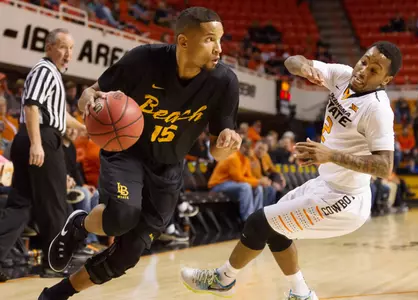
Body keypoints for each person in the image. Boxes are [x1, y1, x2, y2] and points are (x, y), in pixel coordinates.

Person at [39, 7, 242, 300]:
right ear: (184, 42)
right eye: (210, 40)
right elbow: (92, 93)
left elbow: (216, 151)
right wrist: (88, 100)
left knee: (128, 255)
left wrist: (225, 147)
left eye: (221, 40)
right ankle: (81, 225)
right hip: (127, 153)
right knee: (121, 216)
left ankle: (55, 294)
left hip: (169, 168)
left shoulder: (224, 82)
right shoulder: (143, 59)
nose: (219, 49)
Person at [181, 41, 402, 300]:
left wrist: (330, 155)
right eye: (364, 61)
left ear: (386, 79)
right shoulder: (343, 75)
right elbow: (292, 61)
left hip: (345, 199)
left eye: (374, 70)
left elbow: (385, 167)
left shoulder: (377, 110)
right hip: (324, 184)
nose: (364, 70)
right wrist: (306, 67)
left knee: (259, 222)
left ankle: (223, 278)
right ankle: (301, 293)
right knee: (276, 230)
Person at [0, 28, 85, 277]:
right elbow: (31, 106)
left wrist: (84, 128)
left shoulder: (52, 74)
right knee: (55, 202)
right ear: (49, 47)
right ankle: (54, 263)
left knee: (20, 205)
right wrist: (37, 144)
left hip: (37, 135)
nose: (68, 53)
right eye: (62, 47)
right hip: (41, 138)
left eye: (71, 48)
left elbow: (58, 114)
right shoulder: (44, 70)